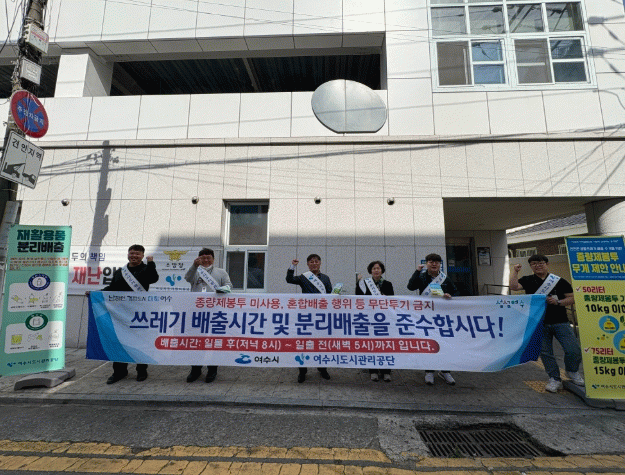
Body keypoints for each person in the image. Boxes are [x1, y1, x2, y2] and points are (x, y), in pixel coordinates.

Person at [509, 254, 584, 393]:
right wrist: (515, 271)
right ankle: (554, 378)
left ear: (547, 264)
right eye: (534, 264)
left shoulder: (559, 281)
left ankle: (572, 371)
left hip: (561, 321)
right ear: (531, 266)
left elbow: (572, 297)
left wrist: (558, 302)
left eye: (541, 263)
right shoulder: (528, 280)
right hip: (539, 323)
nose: (538, 266)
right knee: (546, 353)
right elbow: (514, 286)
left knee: (573, 349)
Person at [101, 244, 159, 384]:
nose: (134, 256)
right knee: (119, 342)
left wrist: (151, 263)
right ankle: (119, 371)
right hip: (121, 313)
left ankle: (141, 370)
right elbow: (112, 288)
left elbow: (153, 278)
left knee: (140, 343)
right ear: (128, 254)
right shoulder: (120, 272)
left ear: (142, 256)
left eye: (137, 254)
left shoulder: (146, 269)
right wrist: (95, 293)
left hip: (139, 313)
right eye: (132, 253)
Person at [407, 253, 458, 386]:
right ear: (427, 263)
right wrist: (417, 271)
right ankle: (429, 371)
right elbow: (411, 287)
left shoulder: (445, 278)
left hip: (442, 316)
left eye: (436, 262)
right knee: (429, 343)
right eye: (431, 261)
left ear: (440, 264)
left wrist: (449, 295)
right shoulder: (421, 276)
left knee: (444, 343)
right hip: (426, 316)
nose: (434, 264)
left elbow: (455, 291)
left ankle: (445, 371)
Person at [184, 248, 232, 383]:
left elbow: (229, 285)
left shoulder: (221, 272)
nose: (206, 260)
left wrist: (223, 289)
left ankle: (212, 370)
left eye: (208, 258)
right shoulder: (195, 271)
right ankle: (195, 369)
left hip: (215, 312)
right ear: (199, 259)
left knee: (214, 341)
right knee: (197, 341)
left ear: (213, 259)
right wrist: (194, 266)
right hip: (197, 312)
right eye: (203, 258)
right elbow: (187, 278)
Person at [286, 254, 332, 383]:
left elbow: (329, 293)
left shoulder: (326, 278)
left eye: (316, 261)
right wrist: (292, 266)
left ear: (320, 263)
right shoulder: (303, 277)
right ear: (308, 264)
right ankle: (302, 371)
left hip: (321, 316)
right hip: (306, 315)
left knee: (321, 343)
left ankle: (322, 368)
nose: (314, 264)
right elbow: (289, 279)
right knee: (303, 344)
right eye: (311, 262)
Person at [356, 260, 394, 382]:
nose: (376, 270)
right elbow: (358, 297)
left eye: (378, 268)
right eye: (374, 268)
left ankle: (386, 371)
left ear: (382, 270)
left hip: (384, 318)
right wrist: (358, 282)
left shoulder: (388, 284)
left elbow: (392, 300)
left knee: (385, 344)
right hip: (370, 317)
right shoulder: (365, 283)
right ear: (370, 271)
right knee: (371, 343)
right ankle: (373, 370)